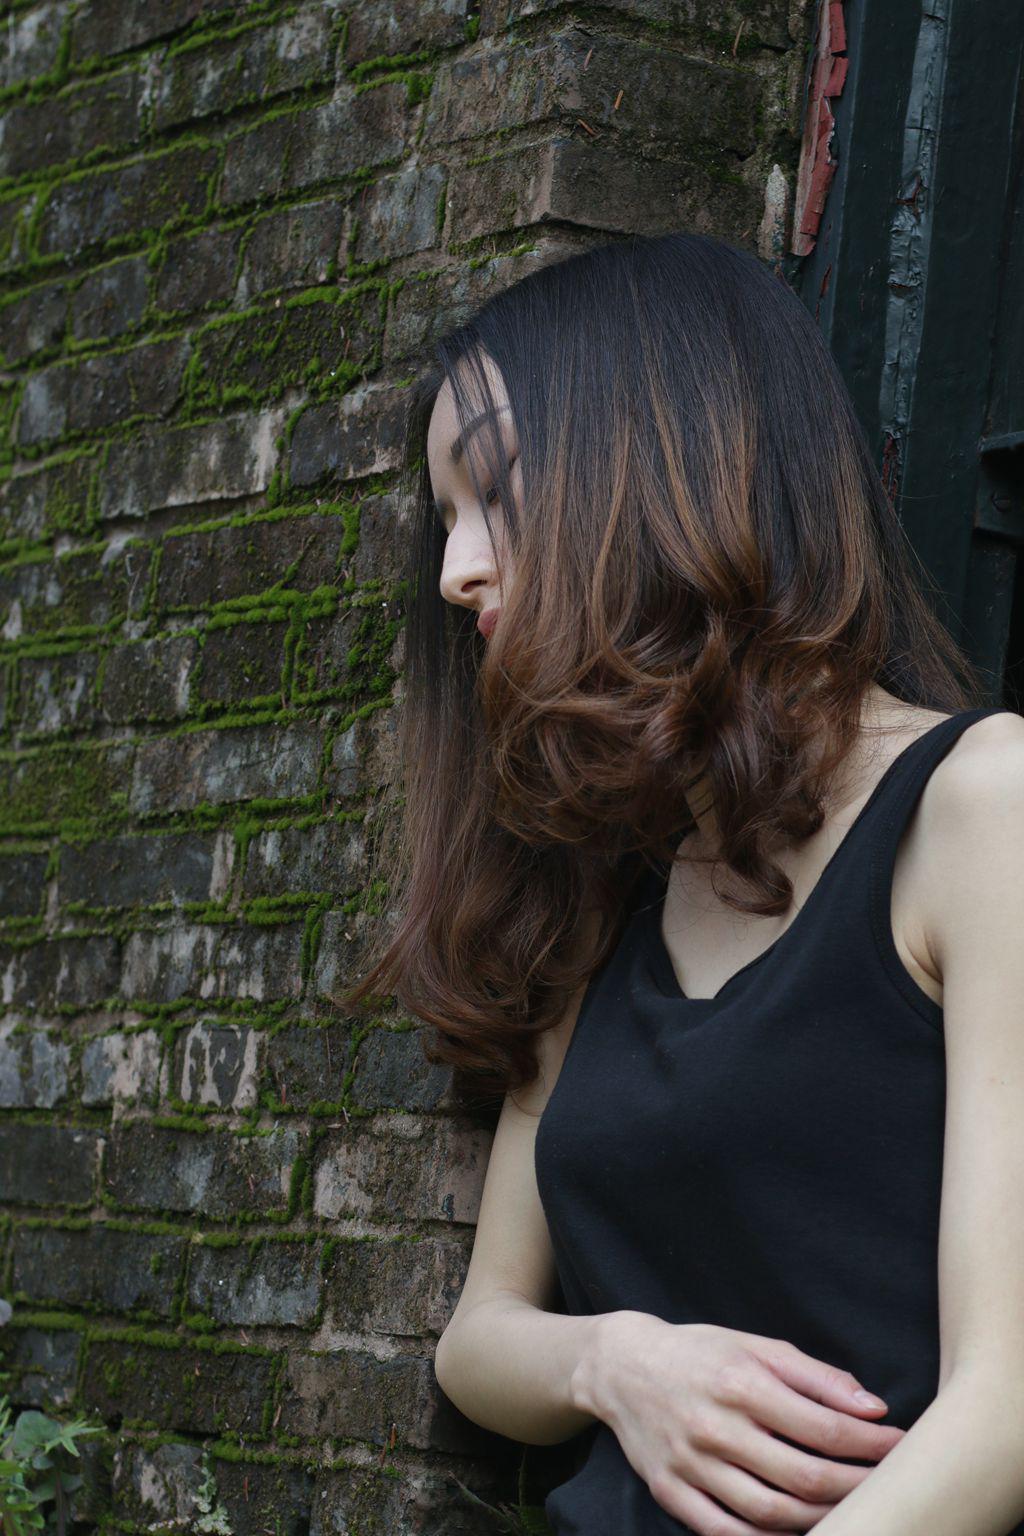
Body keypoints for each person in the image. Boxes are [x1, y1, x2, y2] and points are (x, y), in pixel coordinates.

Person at [339, 232, 1024, 1536]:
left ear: (666, 461)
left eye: (496, 493)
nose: (454, 570)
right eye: (445, 519)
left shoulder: (983, 809)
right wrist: (617, 1361)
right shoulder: (606, 885)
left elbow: (1006, 1415)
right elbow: (480, 1338)